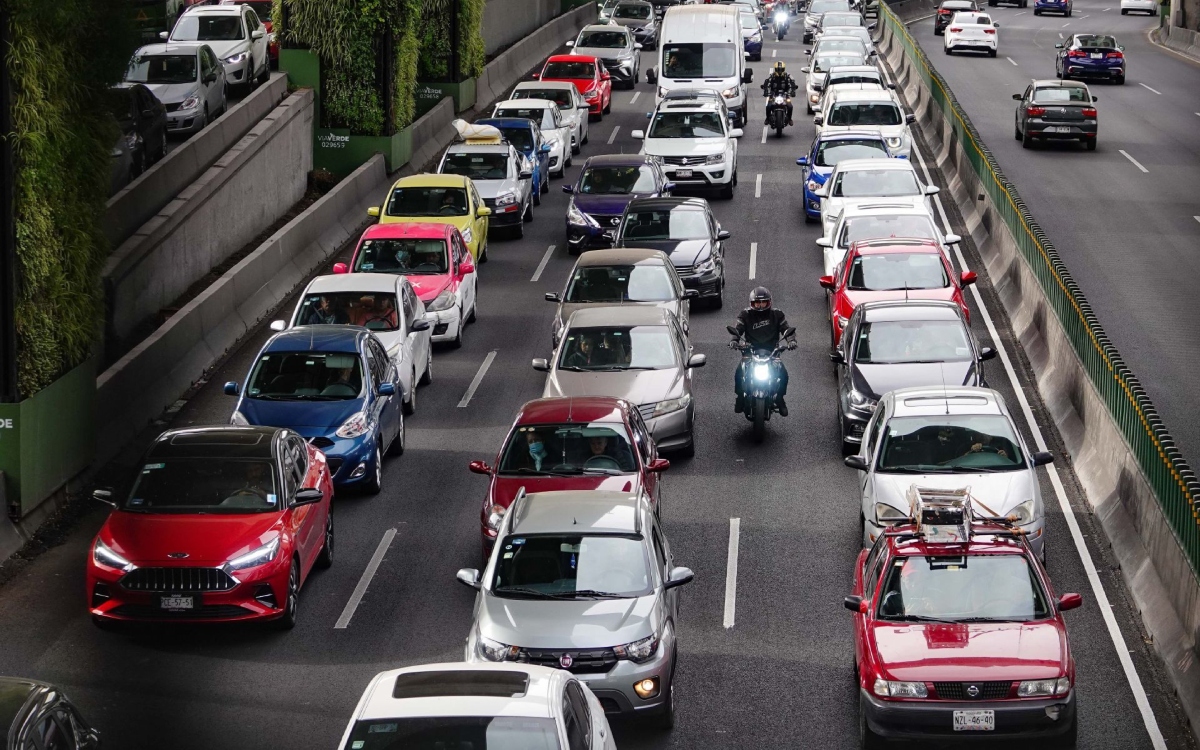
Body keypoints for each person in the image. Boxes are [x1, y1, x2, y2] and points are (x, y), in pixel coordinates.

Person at [729, 287, 797, 415]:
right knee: (739, 373)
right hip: (750, 351)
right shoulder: (745, 314)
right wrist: (734, 341)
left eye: (763, 302)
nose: (760, 306)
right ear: (752, 303)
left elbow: (786, 329)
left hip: (772, 351)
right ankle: (740, 398)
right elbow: (738, 329)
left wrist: (791, 341)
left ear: (769, 302)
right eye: (757, 303)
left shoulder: (777, 315)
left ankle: (780, 398)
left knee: (783, 375)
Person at [760, 61, 798, 126]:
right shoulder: (772, 76)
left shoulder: (787, 76)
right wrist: (766, 91)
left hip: (785, 95)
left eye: (781, 70)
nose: (779, 71)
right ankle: (767, 118)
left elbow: (791, 84)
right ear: (775, 69)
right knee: (768, 106)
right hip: (773, 95)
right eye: (778, 70)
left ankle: (789, 119)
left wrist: (792, 91)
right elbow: (767, 83)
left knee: (790, 106)